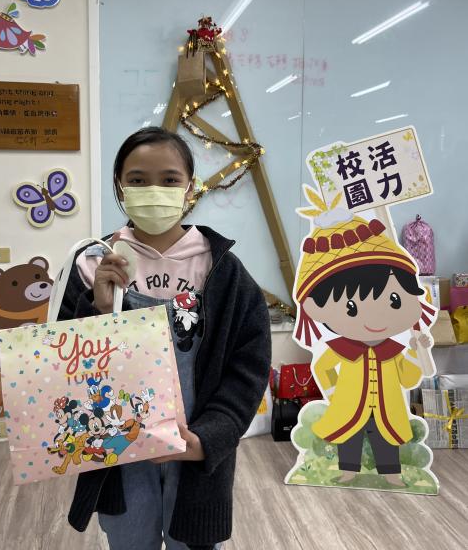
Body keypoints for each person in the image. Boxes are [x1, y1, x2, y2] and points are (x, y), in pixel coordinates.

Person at [57, 127, 271, 550]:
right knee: (128, 540)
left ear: (190, 187)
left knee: (192, 540)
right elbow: (61, 364)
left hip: (195, 451)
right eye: (138, 180)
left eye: (169, 179)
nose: (154, 190)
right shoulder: (90, 264)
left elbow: (249, 367)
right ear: (120, 185)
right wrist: (96, 309)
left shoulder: (222, 270)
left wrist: (209, 437)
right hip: (116, 452)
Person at [293, 199, 435, 487]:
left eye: (394, 300)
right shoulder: (341, 349)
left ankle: (391, 473)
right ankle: (348, 471)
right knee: (350, 437)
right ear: (316, 308)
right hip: (349, 406)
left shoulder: (393, 351)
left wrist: (416, 352)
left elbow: (409, 378)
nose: (373, 319)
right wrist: (335, 392)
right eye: (351, 307)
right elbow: (322, 368)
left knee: (385, 438)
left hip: (387, 407)